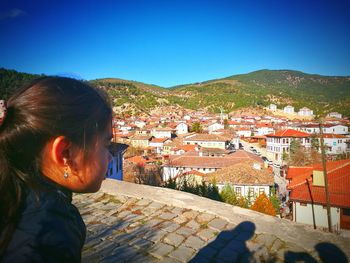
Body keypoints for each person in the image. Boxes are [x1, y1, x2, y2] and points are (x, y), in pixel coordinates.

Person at [0, 77, 113, 262]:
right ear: (65, 153)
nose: (110, 156)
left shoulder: (14, 192)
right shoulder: (50, 239)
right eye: (106, 144)